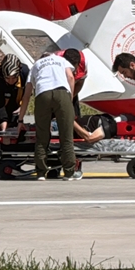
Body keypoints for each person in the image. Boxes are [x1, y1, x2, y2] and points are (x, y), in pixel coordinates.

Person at [17, 49, 82, 180]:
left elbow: (27, 93)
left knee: (42, 136)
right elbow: (70, 77)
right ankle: (69, 172)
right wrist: (68, 100)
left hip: (42, 94)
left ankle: (41, 172)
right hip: (62, 93)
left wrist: (20, 119)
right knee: (66, 135)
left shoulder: (36, 65)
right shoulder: (61, 60)